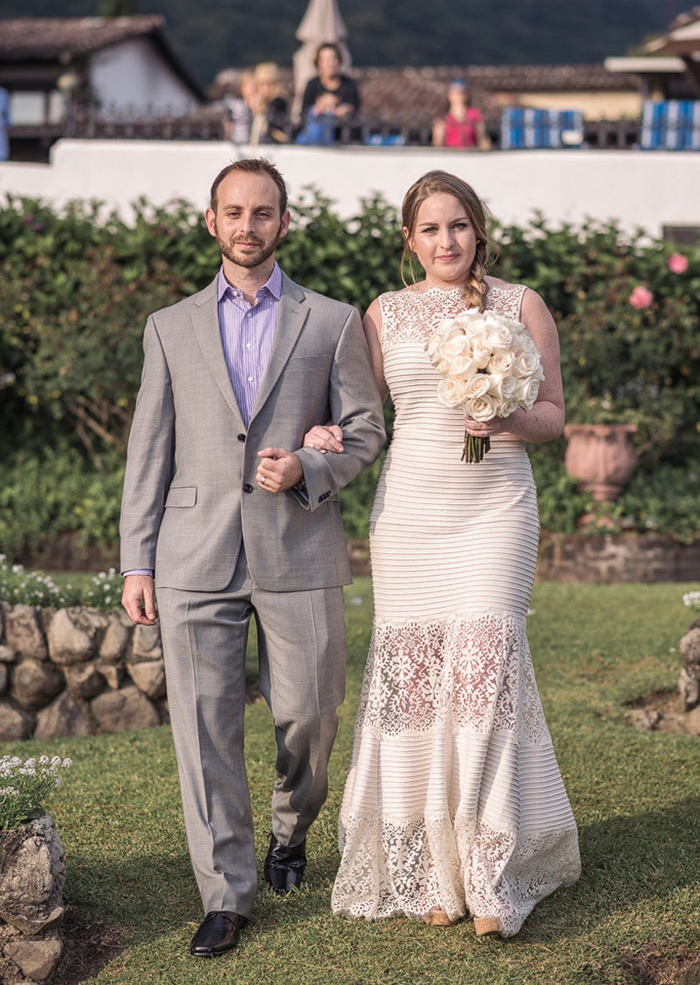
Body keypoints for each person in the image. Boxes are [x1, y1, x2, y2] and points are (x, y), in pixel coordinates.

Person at [120, 158, 385, 958]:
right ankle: (226, 895)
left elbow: (368, 429)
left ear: (285, 222)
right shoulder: (169, 326)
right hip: (191, 552)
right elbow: (149, 450)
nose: (248, 226)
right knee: (204, 729)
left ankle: (289, 828)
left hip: (298, 544)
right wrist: (137, 561)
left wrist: (311, 467)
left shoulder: (332, 321)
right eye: (233, 212)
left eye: (263, 212)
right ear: (211, 222)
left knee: (310, 712)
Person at [303, 170, 581, 936]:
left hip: (496, 508)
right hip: (412, 512)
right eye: (429, 229)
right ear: (409, 240)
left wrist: (505, 421)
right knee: (420, 688)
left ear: (477, 229)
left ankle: (489, 874)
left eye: (457, 226)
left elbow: (554, 415)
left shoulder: (521, 305)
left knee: (484, 671)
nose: (445, 241)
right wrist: (324, 432)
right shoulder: (383, 314)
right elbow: (356, 412)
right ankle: (431, 870)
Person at [301, 43, 359, 124]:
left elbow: (355, 109)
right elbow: (304, 112)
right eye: (326, 60)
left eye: (333, 59)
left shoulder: (349, 84)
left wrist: (344, 110)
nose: (330, 64)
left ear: (339, 61)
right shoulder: (312, 85)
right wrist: (318, 109)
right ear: (319, 63)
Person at [432, 79, 490, 150]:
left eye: (461, 93)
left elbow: (482, 139)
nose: (458, 97)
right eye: (455, 94)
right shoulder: (443, 117)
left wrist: (485, 145)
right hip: (450, 155)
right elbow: (437, 143)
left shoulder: (475, 115)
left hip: (471, 155)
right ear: (449, 95)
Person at [250, 62, 289, 144]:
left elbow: (279, 129)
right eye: (261, 84)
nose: (265, 88)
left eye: (269, 84)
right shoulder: (257, 103)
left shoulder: (278, 103)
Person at [223, 70, 256, 144]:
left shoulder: (259, 105)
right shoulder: (235, 106)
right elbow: (228, 122)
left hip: (253, 143)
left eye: (253, 86)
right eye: (248, 86)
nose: (251, 89)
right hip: (237, 142)